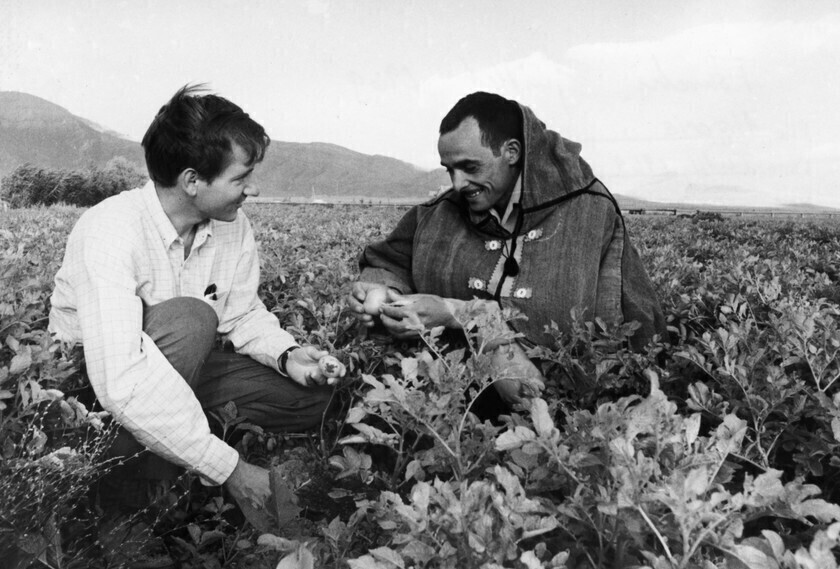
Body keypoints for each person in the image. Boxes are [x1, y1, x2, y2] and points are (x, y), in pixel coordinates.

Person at [49, 85, 344, 529]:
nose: (253, 190)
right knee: (191, 319)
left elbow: (241, 312)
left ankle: (171, 436)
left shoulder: (232, 225)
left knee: (314, 397)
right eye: (241, 178)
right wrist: (231, 469)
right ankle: (134, 500)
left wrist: (287, 355)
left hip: (180, 372)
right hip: (94, 387)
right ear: (192, 181)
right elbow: (121, 380)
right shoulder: (110, 229)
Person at [348, 91, 665, 401]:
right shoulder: (437, 212)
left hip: (554, 419)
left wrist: (460, 313)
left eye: (471, 168)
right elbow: (388, 262)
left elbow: (623, 331)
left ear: (511, 152)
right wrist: (379, 292)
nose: (457, 184)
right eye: (450, 170)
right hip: (443, 411)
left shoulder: (592, 213)